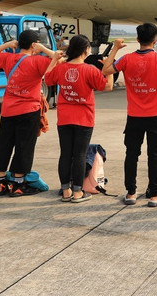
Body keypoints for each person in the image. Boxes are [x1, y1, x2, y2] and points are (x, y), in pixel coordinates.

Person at [102, 23, 157, 207]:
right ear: (155, 40)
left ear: (137, 39)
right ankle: (154, 195)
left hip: (134, 115)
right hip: (156, 115)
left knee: (131, 154)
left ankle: (131, 193)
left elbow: (106, 70)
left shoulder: (126, 59)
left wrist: (115, 48)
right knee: (155, 155)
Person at [0, 30, 57, 196]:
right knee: (24, 146)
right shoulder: (38, 60)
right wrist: (43, 49)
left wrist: (7, 45)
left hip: (8, 109)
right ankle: (18, 184)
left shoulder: (8, 58)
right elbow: (58, 58)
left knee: (4, 145)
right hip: (28, 110)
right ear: (34, 44)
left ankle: (2, 183)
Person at [46, 35, 112, 203]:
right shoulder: (90, 70)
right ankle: (77, 192)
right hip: (84, 118)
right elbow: (107, 86)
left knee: (65, 154)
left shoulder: (61, 68)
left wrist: (54, 60)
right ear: (86, 50)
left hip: (64, 118)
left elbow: (47, 78)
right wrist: (110, 70)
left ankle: (65, 191)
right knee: (80, 155)